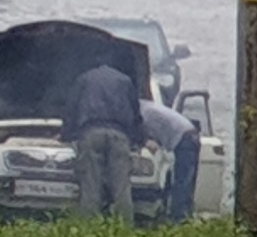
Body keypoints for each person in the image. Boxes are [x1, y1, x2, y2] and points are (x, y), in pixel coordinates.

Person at [66, 53, 143, 220]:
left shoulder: (83, 79)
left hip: (91, 133)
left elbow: (72, 109)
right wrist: (138, 140)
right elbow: (135, 113)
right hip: (119, 135)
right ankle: (125, 230)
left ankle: (89, 229)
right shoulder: (125, 81)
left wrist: (66, 134)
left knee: (90, 186)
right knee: (122, 188)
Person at [138, 91, 203, 222]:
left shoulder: (144, 113)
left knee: (182, 181)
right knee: (185, 180)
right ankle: (181, 216)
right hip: (188, 135)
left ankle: (179, 218)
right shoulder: (147, 107)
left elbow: (147, 134)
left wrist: (144, 140)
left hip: (185, 138)